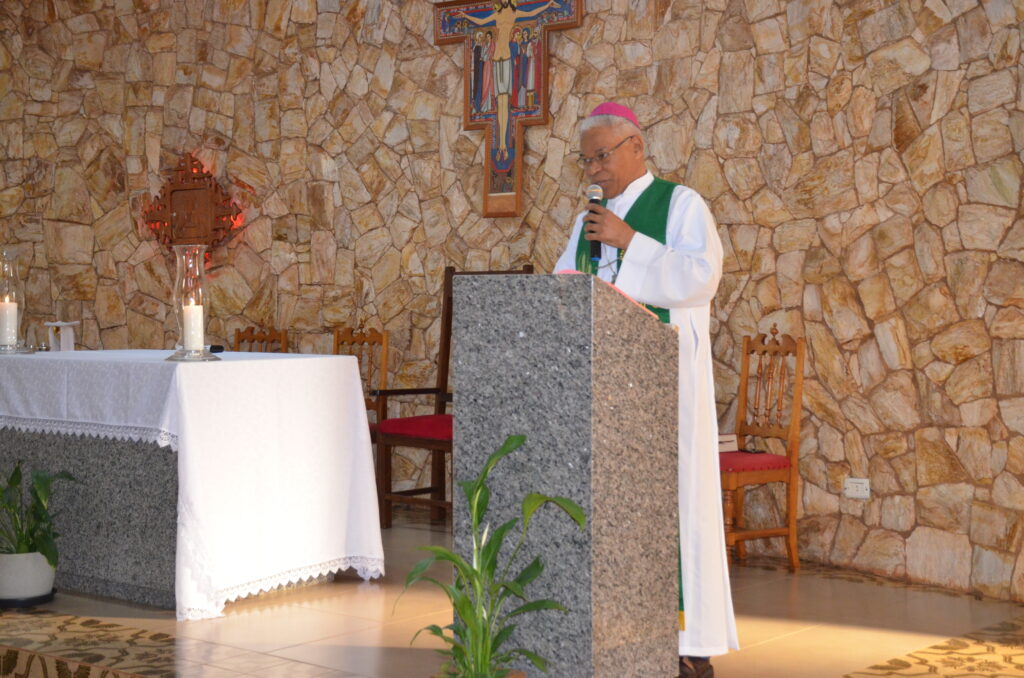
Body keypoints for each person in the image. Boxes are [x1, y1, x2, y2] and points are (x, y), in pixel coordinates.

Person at [554, 102, 738, 678]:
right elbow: (567, 284)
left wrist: (631, 241)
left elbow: (701, 277)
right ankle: (618, 634)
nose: (594, 170)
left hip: (665, 390)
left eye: (602, 156)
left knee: (675, 503)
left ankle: (687, 641)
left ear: (636, 146)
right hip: (603, 391)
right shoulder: (589, 217)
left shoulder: (681, 205)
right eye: (586, 160)